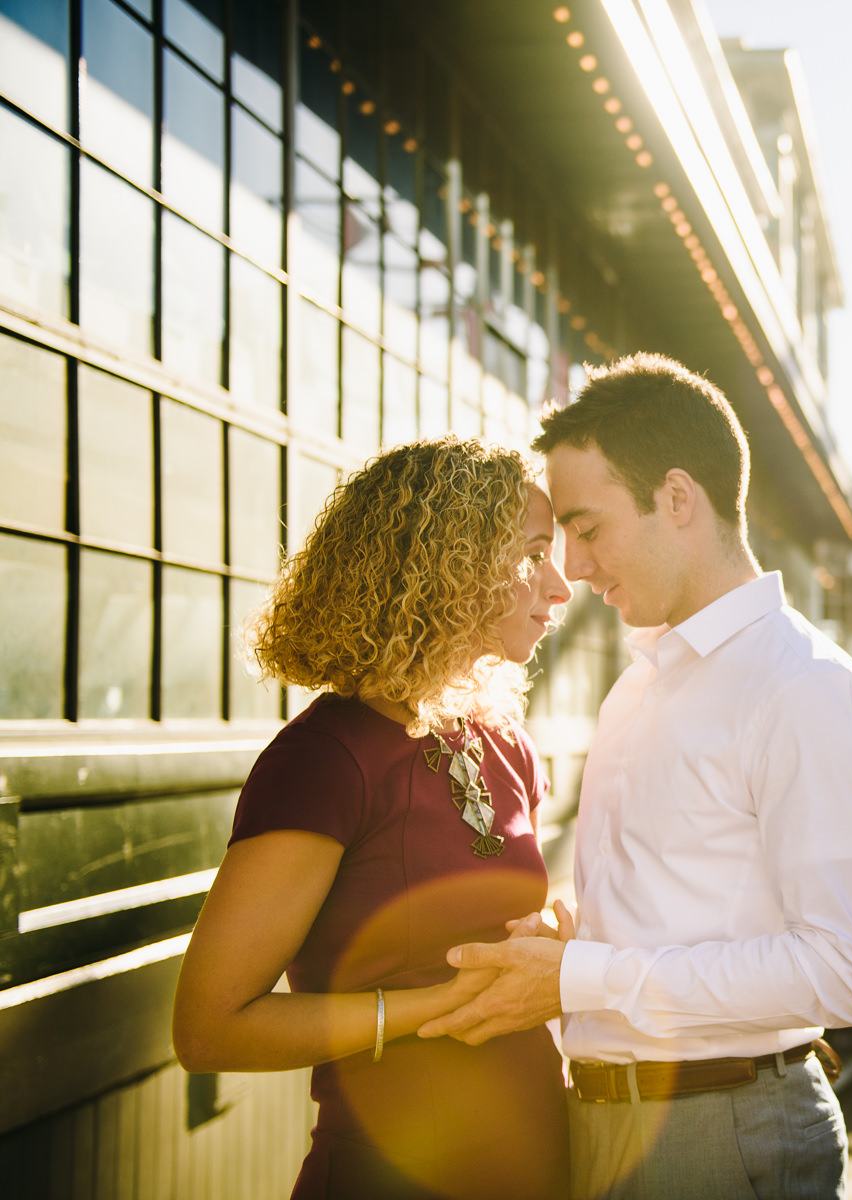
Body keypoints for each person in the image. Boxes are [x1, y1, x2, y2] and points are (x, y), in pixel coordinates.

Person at [416, 353, 852, 1199]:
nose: (570, 567)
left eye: (588, 527)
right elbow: (683, 919)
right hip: (611, 1122)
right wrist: (576, 954)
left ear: (677, 499)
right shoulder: (643, 681)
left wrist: (578, 977)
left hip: (720, 1132)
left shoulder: (807, 692)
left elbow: (844, 972)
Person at [172, 437, 574, 1199]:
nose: (559, 587)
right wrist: (431, 1007)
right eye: (531, 556)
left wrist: (556, 944)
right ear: (450, 567)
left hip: (538, 1160)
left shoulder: (505, 745)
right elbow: (208, 1028)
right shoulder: (325, 760)